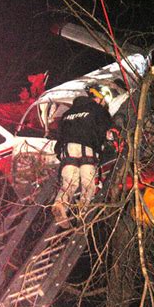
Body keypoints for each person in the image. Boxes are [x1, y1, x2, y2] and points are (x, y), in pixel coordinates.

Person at [52, 85, 113, 228]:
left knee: (69, 183)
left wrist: (59, 152)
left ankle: (60, 204)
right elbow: (108, 129)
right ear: (98, 98)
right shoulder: (98, 110)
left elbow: (59, 135)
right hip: (87, 149)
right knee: (88, 185)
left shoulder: (68, 113)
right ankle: (82, 213)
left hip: (67, 150)